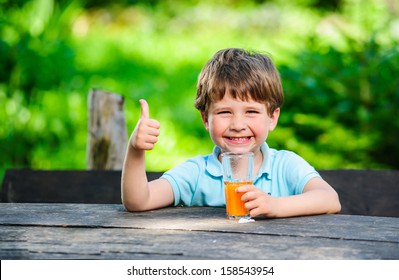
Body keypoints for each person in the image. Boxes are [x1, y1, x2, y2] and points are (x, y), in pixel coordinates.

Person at [121, 48, 341, 218]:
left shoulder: (285, 166)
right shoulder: (197, 174)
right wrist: (135, 150)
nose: (238, 124)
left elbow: (330, 199)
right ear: (206, 119)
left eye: (251, 112)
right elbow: (139, 201)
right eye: (225, 112)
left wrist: (275, 205)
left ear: (272, 118)